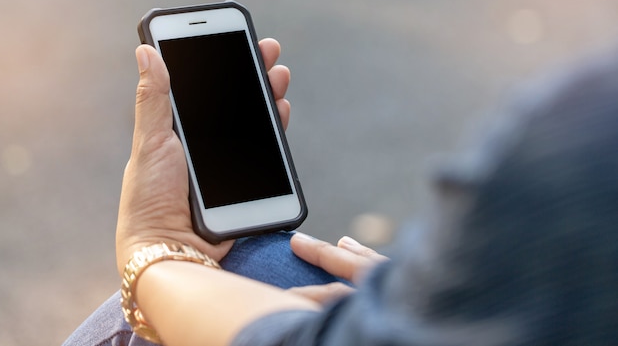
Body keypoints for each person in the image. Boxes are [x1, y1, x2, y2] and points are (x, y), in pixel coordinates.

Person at [63, 39, 618, 346]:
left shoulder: (589, 135)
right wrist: (436, 305)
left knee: (239, 265)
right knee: (271, 256)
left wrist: (154, 255)